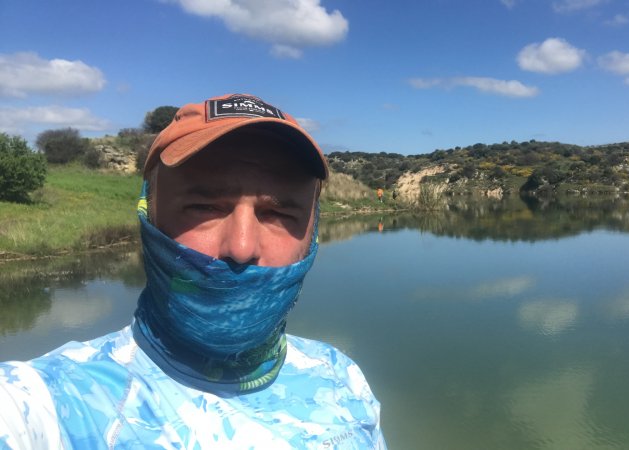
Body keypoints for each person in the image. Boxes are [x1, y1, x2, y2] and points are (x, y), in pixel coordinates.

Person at [0, 93, 386, 449]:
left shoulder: (341, 379)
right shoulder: (46, 403)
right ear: (148, 215)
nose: (241, 248)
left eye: (278, 213)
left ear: (312, 233)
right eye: (204, 207)